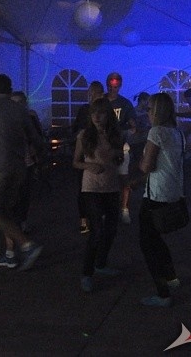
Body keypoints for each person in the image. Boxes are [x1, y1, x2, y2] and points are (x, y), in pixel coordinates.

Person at [0, 74, 45, 271]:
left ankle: (27, 245)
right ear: (10, 89)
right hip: (19, 167)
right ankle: (10, 254)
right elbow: (35, 138)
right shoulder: (20, 109)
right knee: (8, 211)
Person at [135, 93, 185, 307]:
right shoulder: (177, 132)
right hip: (173, 190)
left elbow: (147, 165)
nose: (147, 112)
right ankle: (171, 277)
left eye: (149, 109)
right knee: (156, 238)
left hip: (156, 193)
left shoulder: (156, 132)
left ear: (157, 111)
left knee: (147, 243)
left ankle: (162, 293)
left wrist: (140, 162)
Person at [72, 97, 124, 293]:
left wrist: (118, 157)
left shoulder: (115, 135)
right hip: (92, 188)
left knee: (111, 229)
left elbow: (118, 158)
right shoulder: (85, 135)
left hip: (111, 186)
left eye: (101, 113)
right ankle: (87, 273)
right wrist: (89, 165)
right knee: (97, 231)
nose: (97, 117)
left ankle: (101, 263)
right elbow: (75, 161)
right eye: (94, 113)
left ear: (108, 115)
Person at [72, 81, 105, 234]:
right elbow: (76, 130)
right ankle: (84, 219)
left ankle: (98, 216)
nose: (92, 96)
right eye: (90, 93)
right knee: (83, 189)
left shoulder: (106, 111)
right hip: (86, 155)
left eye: (95, 94)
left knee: (101, 187)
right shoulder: (84, 110)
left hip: (100, 155)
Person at [10, 91, 44, 234]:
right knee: (12, 195)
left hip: (26, 161)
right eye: (14, 103)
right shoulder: (6, 119)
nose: (17, 105)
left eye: (19, 102)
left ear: (24, 103)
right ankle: (14, 223)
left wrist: (34, 148)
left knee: (24, 194)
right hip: (11, 162)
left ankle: (21, 221)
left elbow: (38, 136)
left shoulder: (30, 117)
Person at [105, 72, 137, 225]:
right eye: (111, 87)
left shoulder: (125, 103)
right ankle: (107, 210)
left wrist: (131, 128)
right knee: (105, 180)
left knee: (124, 179)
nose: (113, 90)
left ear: (120, 86)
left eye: (115, 87)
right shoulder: (101, 102)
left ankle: (124, 208)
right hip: (104, 147)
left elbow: (132, 124)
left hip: (121, 146)